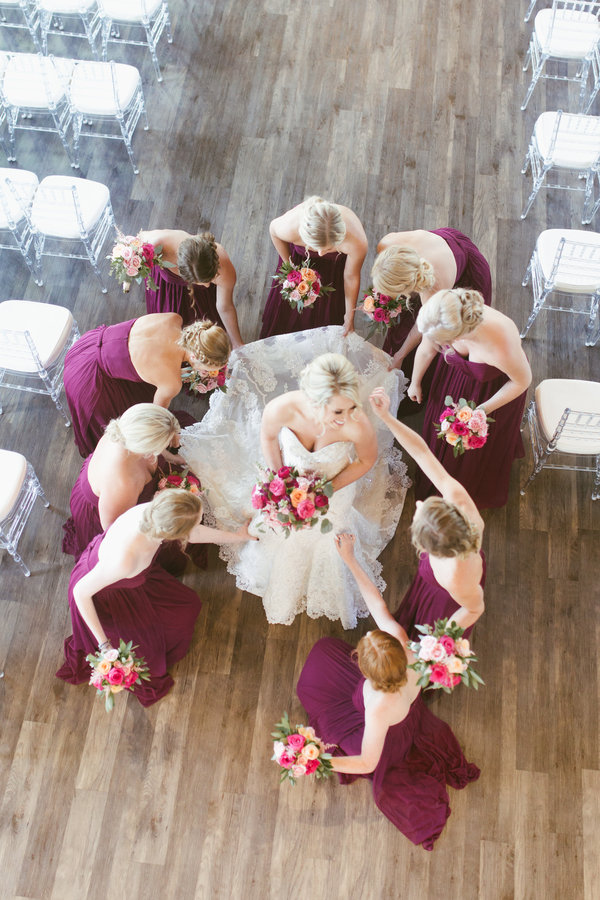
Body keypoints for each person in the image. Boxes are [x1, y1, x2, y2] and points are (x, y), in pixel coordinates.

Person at [180, 327, 410, 628]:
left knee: (327, 538)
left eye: (351, 405)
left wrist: (329, 488)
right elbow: (268, 438)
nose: (346, 417)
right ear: (313, 400)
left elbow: (366, 459)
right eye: (337, 410)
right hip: (289, 483)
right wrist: (279, 480)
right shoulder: (282, 408)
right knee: (281, 533)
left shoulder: (357, 423)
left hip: (335, 489)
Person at [296, 533, 480, 850]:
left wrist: (318, 760)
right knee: (324, 653)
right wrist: (350, 558)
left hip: (386, 732)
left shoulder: (380, 705)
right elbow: (377, 604)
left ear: (366, 671)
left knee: (320, 672)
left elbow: (367, 762)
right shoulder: (416, 652)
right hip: (402, 704)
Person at [56, 490, 254, 706]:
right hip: (106, 597)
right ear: (173, 535)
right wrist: (105, 646)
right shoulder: (124, 560)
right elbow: (80, 593)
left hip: (135, 581)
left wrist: (238, 537)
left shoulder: (155, 515)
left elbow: (193, 533)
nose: (197, 526)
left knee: (187, 607)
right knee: (148, 650)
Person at [369, 387, 485, 639]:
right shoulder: (459, 500)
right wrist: (387, 417)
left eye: (418, 514)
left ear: (430, 550)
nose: (418, 506)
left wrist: (441, 642)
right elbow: (422, 452)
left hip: (443, 600)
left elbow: (475, 607)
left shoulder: (458, 577)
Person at [408, 288, 532, 508]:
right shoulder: (440, 311)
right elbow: (427, 349)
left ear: (457, 336)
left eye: (442, 342)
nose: (438, 344)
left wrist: (480, 412)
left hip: (492, 392)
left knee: (467, 459)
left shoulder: (500, 343)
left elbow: (522, 382)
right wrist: (416, 381)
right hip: (452, 380)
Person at [61, 403, 206, 574]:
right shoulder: (122, 482)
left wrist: (171, 457)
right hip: (112, 509)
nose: (173, 441)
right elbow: (114, 529)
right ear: (146, 449)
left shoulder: (130, 430)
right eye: (165, 443)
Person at [64, 313, 231, 457]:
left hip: (88, 345)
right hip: (91, 381)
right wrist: (173, 440)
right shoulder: (171, 382)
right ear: (195, 358)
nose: (209, 373)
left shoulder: (173, 319)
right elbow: (155, 420)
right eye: (208, 369)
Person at [371, 228, 492, 414]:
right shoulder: (387, 243)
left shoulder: (434, 287)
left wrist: (402, 358)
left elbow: (425, 341)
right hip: (446, 244)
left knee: (441, 337)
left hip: (464, 275)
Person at [260, 196, 368, 338]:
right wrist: (290, 267)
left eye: (329, 249)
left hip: (333, 269)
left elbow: (351, 277)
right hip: (300, 260)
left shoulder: (356, 241)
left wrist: (349, 317)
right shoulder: (290, 227)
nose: (321, 253)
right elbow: (273, 231)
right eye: (314, 247)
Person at [141, 228, 243, 347]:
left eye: (212, 278)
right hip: (167, 291)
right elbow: (135, 245)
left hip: (202, 298)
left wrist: (237, 342)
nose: (207, 285)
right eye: (201, 282)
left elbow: (225, 307)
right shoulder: (155, 244)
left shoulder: (223, 265)